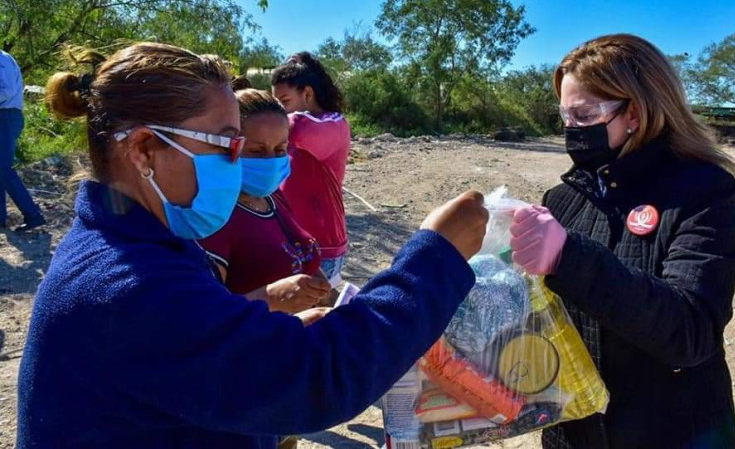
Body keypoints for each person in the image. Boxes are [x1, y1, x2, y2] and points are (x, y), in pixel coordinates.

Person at [17, 42, 487, 449]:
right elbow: (316, 378)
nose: (239, 163)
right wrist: (436, 256)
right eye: (226, 146)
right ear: (142, 150)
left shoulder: (138, 246)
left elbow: (199, 352)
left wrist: (264, 330)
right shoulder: (128, 285)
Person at [508, 34, 735, 449]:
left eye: (584, 114)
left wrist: (568, 256)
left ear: (634, 113)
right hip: (575, 433)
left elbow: (691, 332)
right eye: (565, 115)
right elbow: (542, 321)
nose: (571, 129)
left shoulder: (704, 191)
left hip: (674, 433)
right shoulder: (562, 199)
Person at [200, 88, 331, 320]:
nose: (271, 160)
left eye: (280, 149)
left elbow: (301, 259)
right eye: (257, 151)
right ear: (228, 148)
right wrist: (271, 299)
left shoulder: (272, 197)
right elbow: (205, 320)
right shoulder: (213, 218)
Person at [271, 53, 350, 287]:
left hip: (322, 246)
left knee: (316, 308)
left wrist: (264, 117)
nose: (280, 111)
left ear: (307, 94)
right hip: (290, 242)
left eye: (284, 102)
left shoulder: (334, 124)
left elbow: (300, 128)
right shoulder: (286, 130)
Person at [0, 49, 46, 232]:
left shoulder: (2, 59)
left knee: (3, 169)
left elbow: (7, 90)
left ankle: (33, 215)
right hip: (5, 117)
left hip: (6, 117)